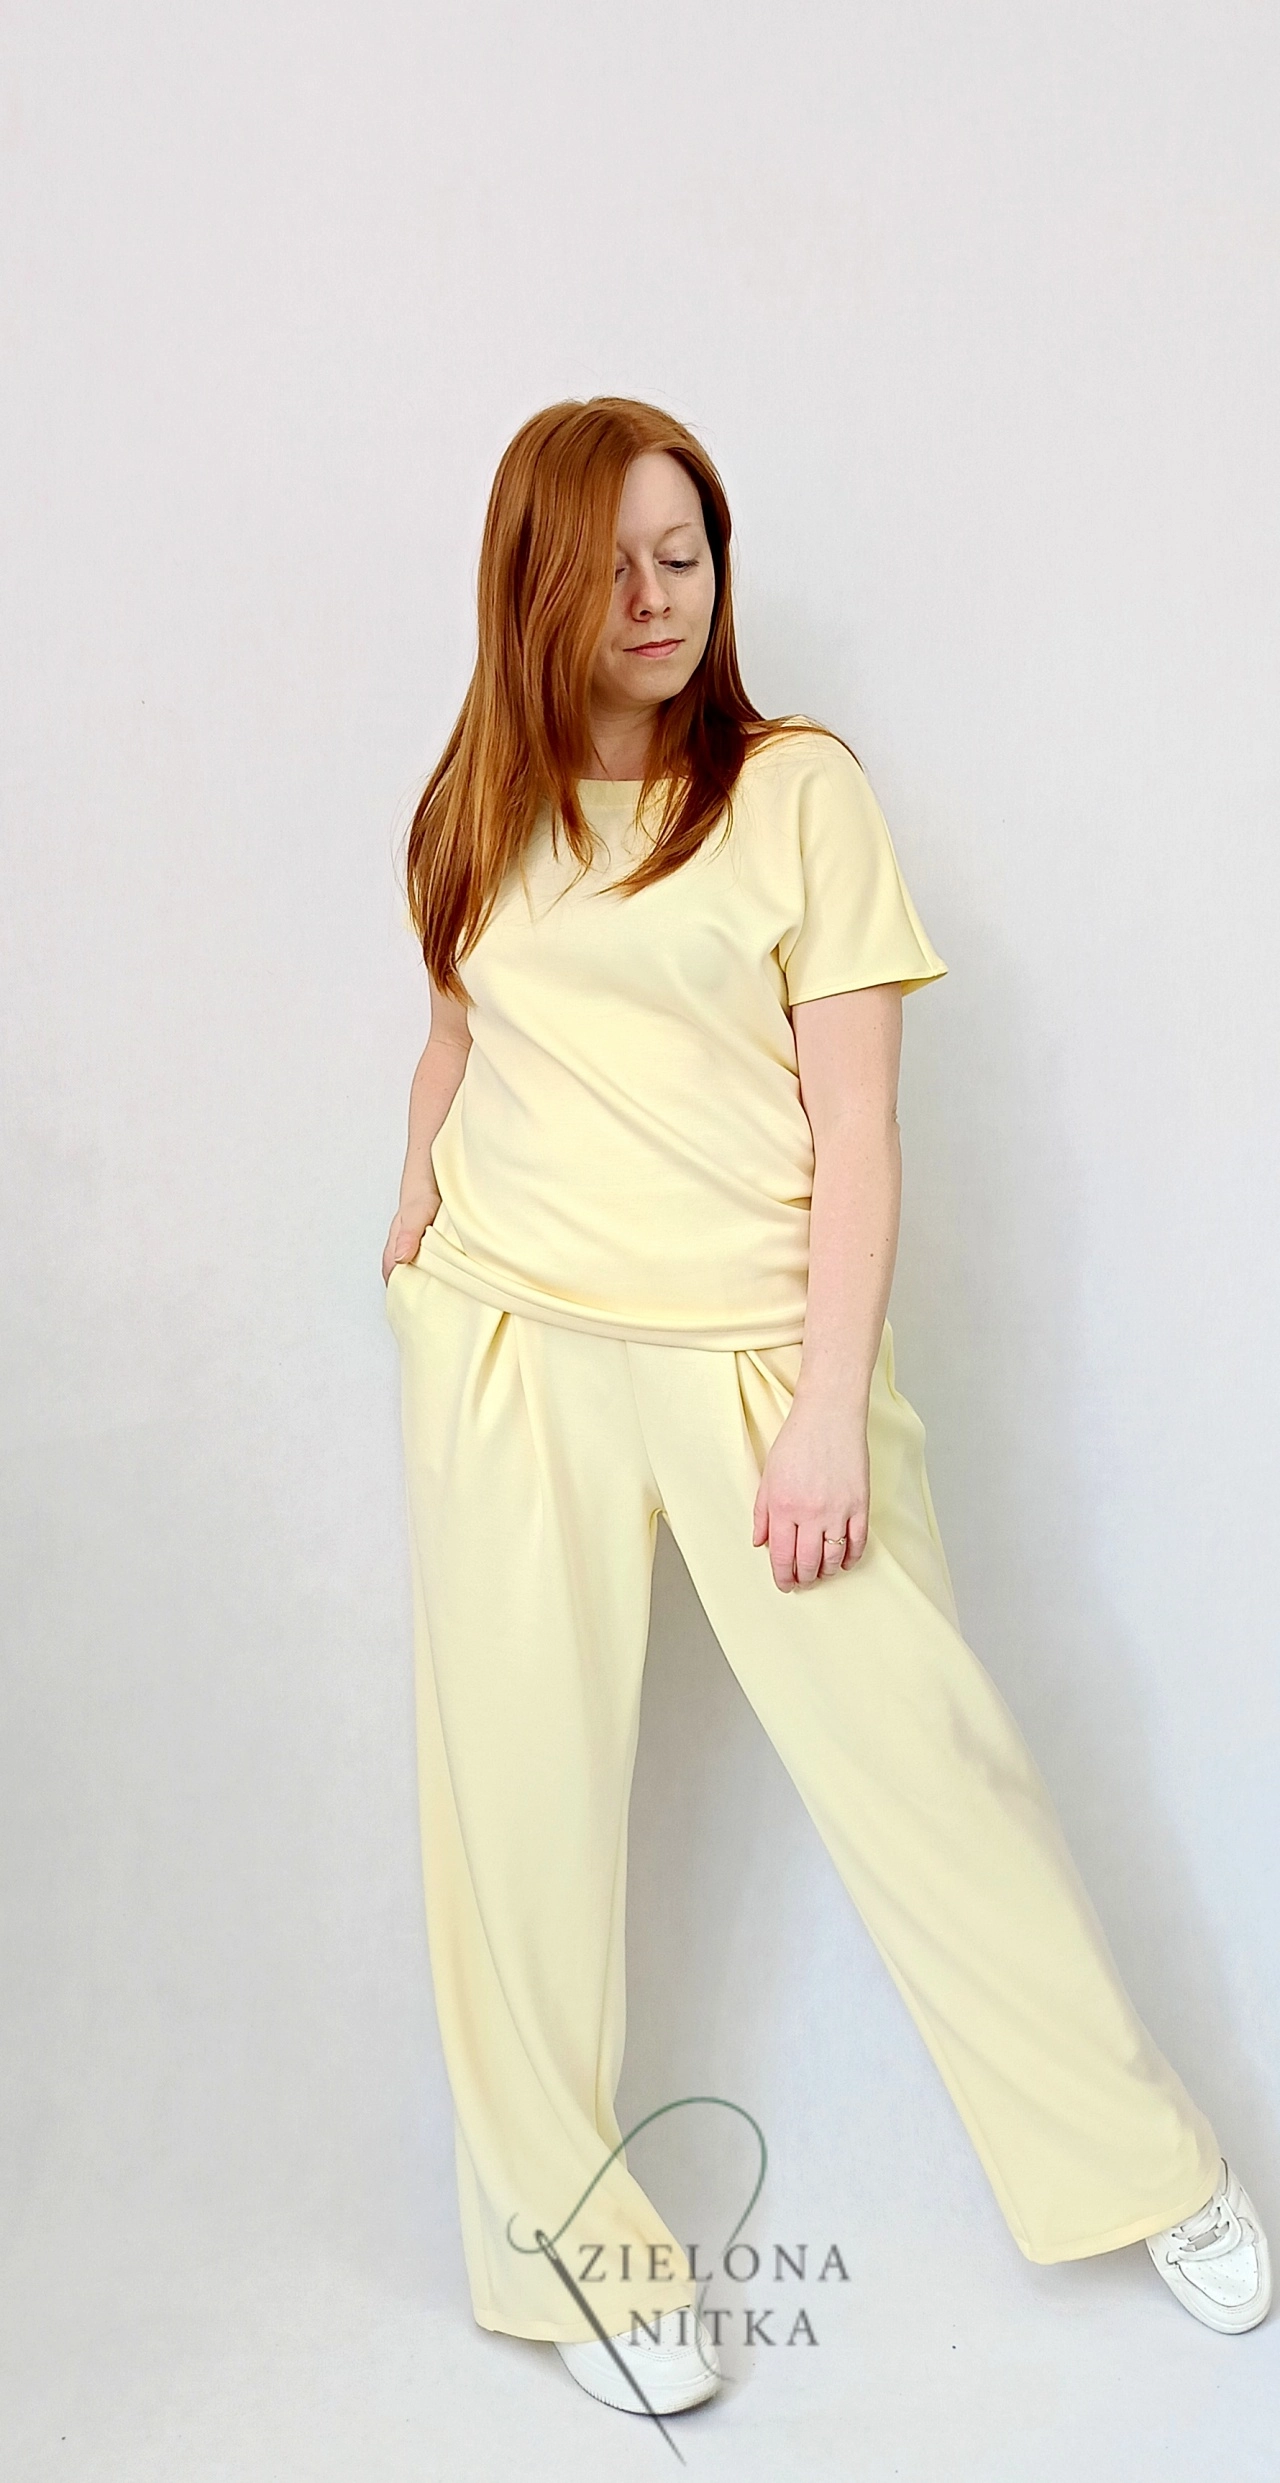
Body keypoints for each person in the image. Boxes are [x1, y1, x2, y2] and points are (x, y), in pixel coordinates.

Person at [382, 396, 1269, 2417]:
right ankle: (573, 2258)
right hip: (512, 1352)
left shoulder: (794, 792)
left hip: (753, 1355)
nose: (654, 595)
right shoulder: (472, 804)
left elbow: (858, 1126)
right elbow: (453, 1035)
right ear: (531, 582)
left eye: (683, 551)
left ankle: (1149, 2165)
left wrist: (824, 1412)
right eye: (611, 560)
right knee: (514, 1825)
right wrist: (412, 1223)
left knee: (930, 1770)